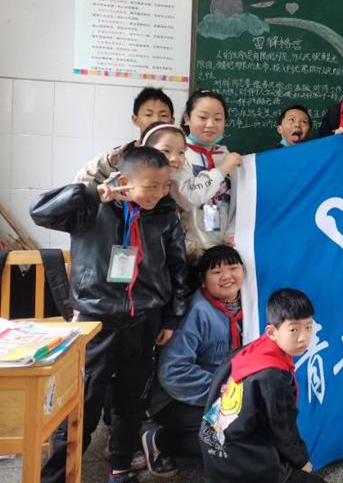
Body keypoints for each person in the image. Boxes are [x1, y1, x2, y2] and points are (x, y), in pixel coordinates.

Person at [30, 146, 188, 483]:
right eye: (151, 186)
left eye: (164, 185)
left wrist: (172, 317)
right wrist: (90, 193)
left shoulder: (165, 212)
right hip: (95, 321)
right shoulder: (91, 207)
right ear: (125, 181)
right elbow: (39, 212)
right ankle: (59, 475)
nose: (159, 193)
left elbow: (178, 267)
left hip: (144, 318)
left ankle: (120, 465)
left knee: (132, 400)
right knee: (82, 401)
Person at [199, 288, 327, 483]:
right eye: (294, 329)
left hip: (215, 454)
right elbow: (282, 428)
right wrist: (301, 461)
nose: (303, 337)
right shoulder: (273, 376)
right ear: (272, 332)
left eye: (308, 327)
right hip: (244, 464)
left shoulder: (249, 351)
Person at [141, 245, 246, 475]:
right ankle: (158, 440)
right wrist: (225, 391)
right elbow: (173, 372)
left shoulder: (250, 305)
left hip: (227, 391)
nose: (227, 276)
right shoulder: (196, 311)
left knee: (249, 425)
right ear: (203, 280)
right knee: (228, 432)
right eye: (216, 272)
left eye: (233, 268)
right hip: (176, 397)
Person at [174, 90, 243, 260]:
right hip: (187, 252)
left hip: (223, 253)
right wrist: (222, 169)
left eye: (218, 119)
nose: (210, 124)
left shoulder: (230, 157)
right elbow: (187, 198)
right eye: (203, 117)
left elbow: (241, 204)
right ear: (187, 119)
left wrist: (232, 233)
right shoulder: (178, 154)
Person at [75, 87, 176, 185]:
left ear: (172, 121)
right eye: (148, 115)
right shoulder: (120, 155)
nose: (156, 120)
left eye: (163, 115)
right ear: (135, 119)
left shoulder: (179, 156)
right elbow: (82, 182)